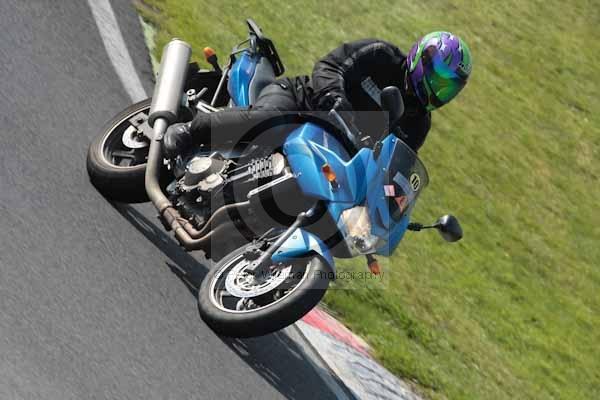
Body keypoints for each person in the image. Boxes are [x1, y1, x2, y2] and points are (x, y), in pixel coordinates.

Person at [163, 31, 472, 157]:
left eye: (448, 88)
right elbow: (328, 67)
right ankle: (189, 131)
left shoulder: (417, 124)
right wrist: (338, 103)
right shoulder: (381, 56)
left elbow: (393, 165)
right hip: (301, 103)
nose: (438, 90)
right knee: (264, 120)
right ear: (421, 60)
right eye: (438, 79)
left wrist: (393, 198)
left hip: (329, 154)